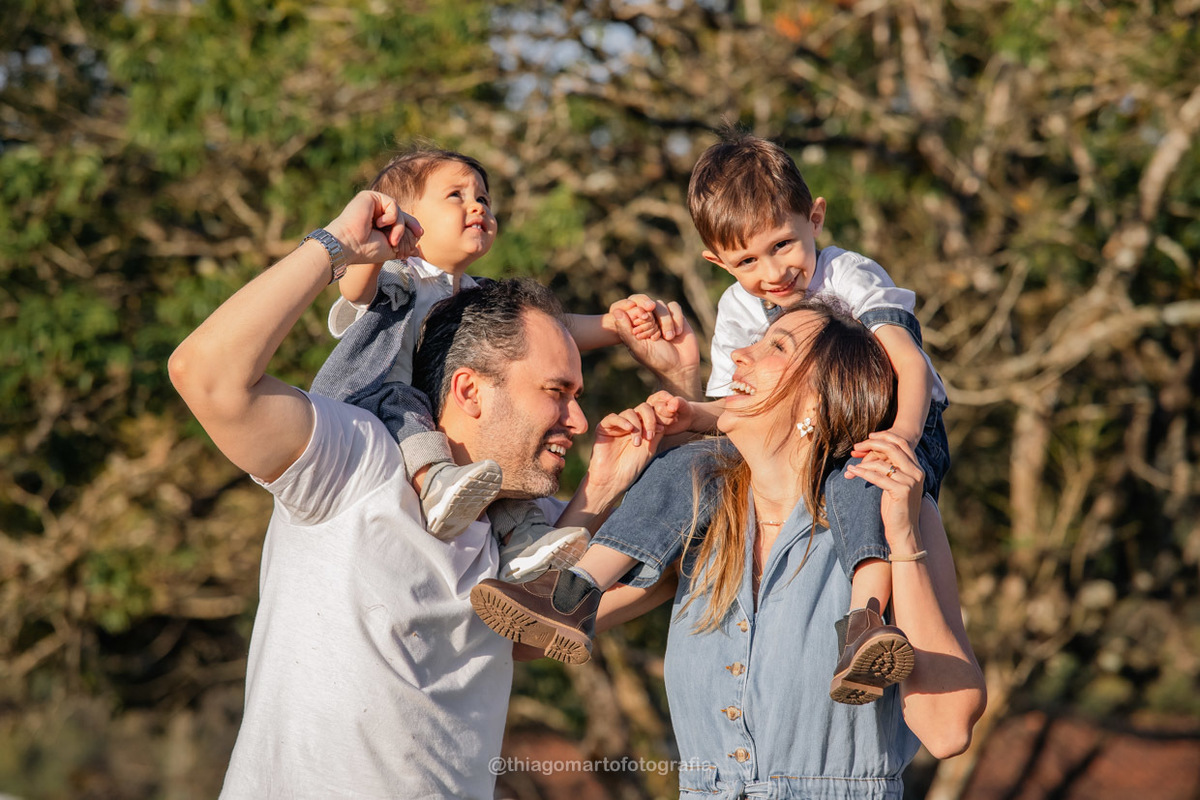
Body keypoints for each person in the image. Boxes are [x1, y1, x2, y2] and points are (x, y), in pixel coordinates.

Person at [167, 191, 654, 798]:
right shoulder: (358, 459)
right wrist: (337, 246)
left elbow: (637, 578)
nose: (579, 421)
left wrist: (617, 469)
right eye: (557, 392)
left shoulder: (525, 530)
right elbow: (204, 375)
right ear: (469, 391)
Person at [471, 131, 949, 705]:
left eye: (783, 245)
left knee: (861, 484)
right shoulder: (739, 307)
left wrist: (901, 436)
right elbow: (736, 405)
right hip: (796, 439)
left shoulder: (848, 275)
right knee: (688, 467)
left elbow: (907, 363)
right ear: (717, 262)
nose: (773, 271)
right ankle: (573, 591)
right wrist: (690, 411)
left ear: (815, 219)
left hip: (895, 417)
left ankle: (864, 622)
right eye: (747, 260)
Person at [495, 302, 987, 797]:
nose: (739, 354)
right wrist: (602, 488)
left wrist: (904, 543)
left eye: (777, 346)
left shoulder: (889, 514)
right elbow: (524, 639)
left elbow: (947, 732)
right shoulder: (700, 522)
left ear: (819, 401)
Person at [310, 146, 672, 581]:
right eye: (456, 196)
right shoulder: (396, 276)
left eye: (483, 198)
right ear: (401, 218)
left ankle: (524, 541)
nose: (478, 205)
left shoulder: (478, 294)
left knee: (500, 462)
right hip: (387, 406)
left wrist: (614, 325)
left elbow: (551, 333)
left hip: (448, 417)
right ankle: (433, 482)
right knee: (406, 404)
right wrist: (373, 245)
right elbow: (353, 289)